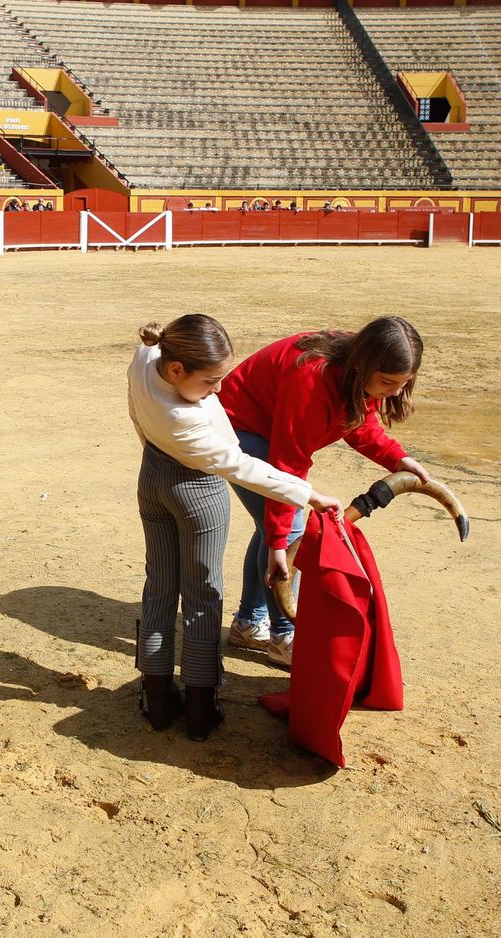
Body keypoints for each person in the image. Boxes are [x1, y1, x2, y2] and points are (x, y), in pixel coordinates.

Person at [126, 315, 340, 741]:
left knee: (160, 586)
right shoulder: (186, 420)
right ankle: (202, 707)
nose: (219, 390)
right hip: (197, 491)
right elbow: (239, 466)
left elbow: (137, 410)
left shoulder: (146, 355)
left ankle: (157, 698)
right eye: (211, 381)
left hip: (151, 476)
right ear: (176, 371)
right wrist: (307, 493)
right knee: (204, 592)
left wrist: (151, 445)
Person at [216, 316, 429, 669]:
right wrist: (280, 542)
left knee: (271, 532)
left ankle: (248, 623)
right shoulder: (313, 380)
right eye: (388, 382)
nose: (393, 391)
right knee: (288, 531)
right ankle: (283, 634)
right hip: (241, 427)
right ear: (362, 365)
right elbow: (288, 465)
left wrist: (398, 458)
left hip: (270, 429)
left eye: (402, 383)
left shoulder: (360, 365)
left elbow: (358, 423)